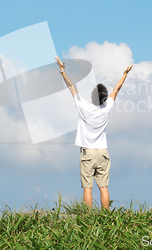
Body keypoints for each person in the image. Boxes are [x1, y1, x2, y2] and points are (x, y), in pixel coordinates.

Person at [55, 56, 133, 209]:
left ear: (92, 96)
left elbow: (71, 88)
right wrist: (125, 74)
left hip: (88, 152)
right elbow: (116, 89)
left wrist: (63, 71)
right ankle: (105, 216)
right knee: (103, 187)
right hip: (102, 152)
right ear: (104, 98)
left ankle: (87, 217)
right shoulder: (107, 108)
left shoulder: (84, 107)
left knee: (87, 187)